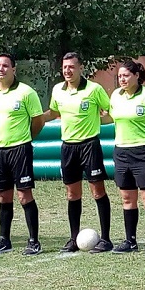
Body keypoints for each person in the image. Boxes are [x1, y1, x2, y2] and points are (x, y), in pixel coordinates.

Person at [44, 52, 114, 253]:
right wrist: (35, 119)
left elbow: (111, 111)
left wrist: (97, 121)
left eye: (71, 67)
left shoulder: (94, 89)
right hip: (68, 147)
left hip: (89, 146)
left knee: (97, 191)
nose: (67, 70)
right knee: (72, 194)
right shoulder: (58, 89)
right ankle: (73, 238)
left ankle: (106, 239)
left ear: (81, 68)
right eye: (65, 67)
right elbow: (54, 112)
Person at [0, 54, 45, 256]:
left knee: (24, 194)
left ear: (14, 69)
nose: (1, 69)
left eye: (5, 66)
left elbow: (38, 121)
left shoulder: (26, 92)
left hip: (20, 149)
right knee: (3, 196)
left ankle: (34, 241)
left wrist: (26, 138)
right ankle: (4, 240)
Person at [108, 60, 145, 255]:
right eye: (119, 76)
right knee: (127, 198)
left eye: (126, 75)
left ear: (136, 76)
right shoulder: (116, 96)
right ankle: (130, 240)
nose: (122, 79)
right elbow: (109, 117)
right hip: (122, 152)